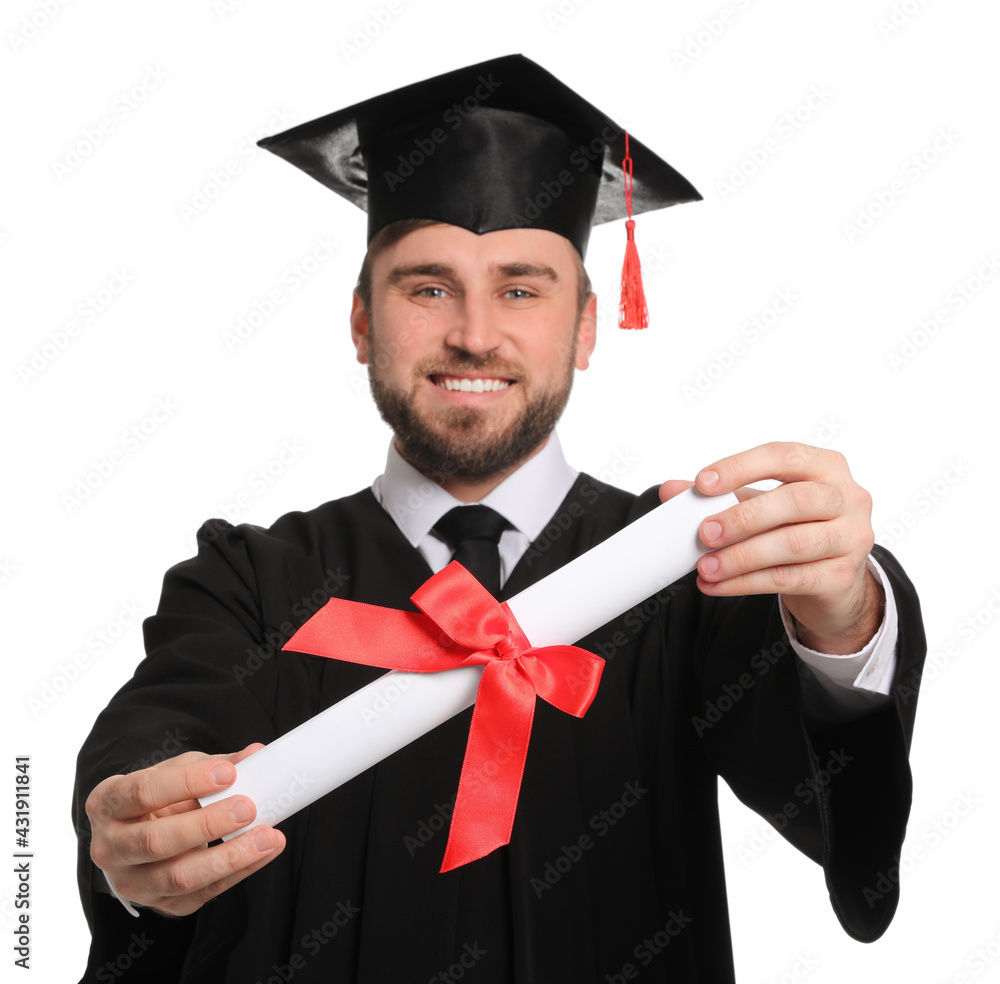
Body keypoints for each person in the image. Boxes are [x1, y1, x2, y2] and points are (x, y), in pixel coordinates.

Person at [73, 54, 925, 983]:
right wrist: (135, 835)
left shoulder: (679, 574)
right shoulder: (250, 580)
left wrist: (845, 618)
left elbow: (834, 797)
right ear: (362, 320)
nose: (475, 333)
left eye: (522, 288)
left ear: (586, 327)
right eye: (427, 287)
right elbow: (159, 732)